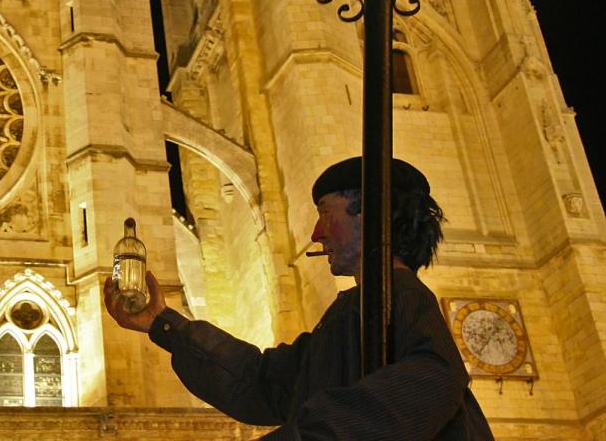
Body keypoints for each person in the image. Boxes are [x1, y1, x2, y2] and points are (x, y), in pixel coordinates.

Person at [104, 157, 493, 440]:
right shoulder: (352, 311)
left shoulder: (400, 296)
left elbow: (433, 381)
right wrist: (162, 323)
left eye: (327, 213)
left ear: (369, 215)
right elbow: (261, 382)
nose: (317, 231)